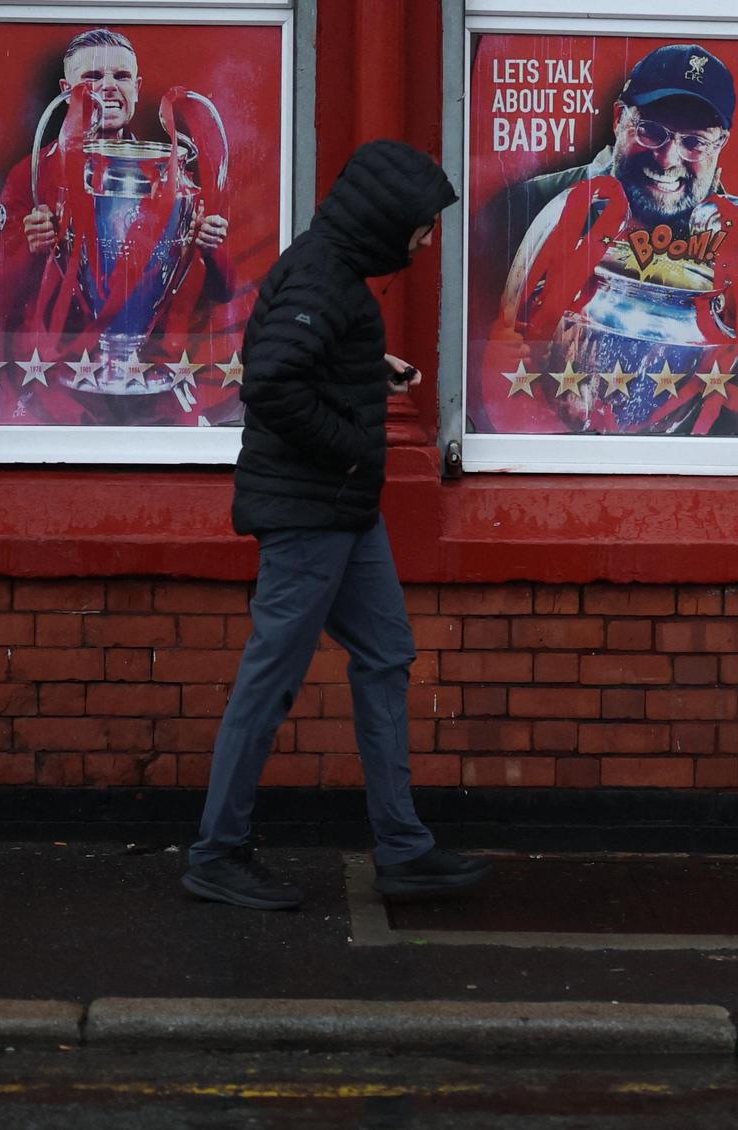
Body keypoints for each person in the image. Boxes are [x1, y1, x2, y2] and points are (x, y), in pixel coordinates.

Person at [180, 139, 484, 912]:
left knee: (384, 653)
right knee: (271, 680)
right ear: (385, 221)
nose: (425, 240)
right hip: (311, 510)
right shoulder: (323, 273)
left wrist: (366, 367)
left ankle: (404, 850)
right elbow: (272, 382)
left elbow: (276, 347)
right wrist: (355, 450)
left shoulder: (332, 272)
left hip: (342, 510)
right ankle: (217, 854)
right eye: (420, 227)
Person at [471, 43, 738, 436]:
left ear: (721, 146)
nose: (667, 159)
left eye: (694, 142)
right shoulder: (523, 209)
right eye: (651, 131)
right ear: (619, 119)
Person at [0, 27, 235, 423]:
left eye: (121, 77)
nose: (107, 87)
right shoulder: (32, 175)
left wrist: (213, 247)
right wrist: (30, 249)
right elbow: (0, 301)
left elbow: (221, 293)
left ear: (137, 89)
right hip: (53, 377)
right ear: (65, 88)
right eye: (91, 78)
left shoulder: (173, 175)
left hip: (152, 375)